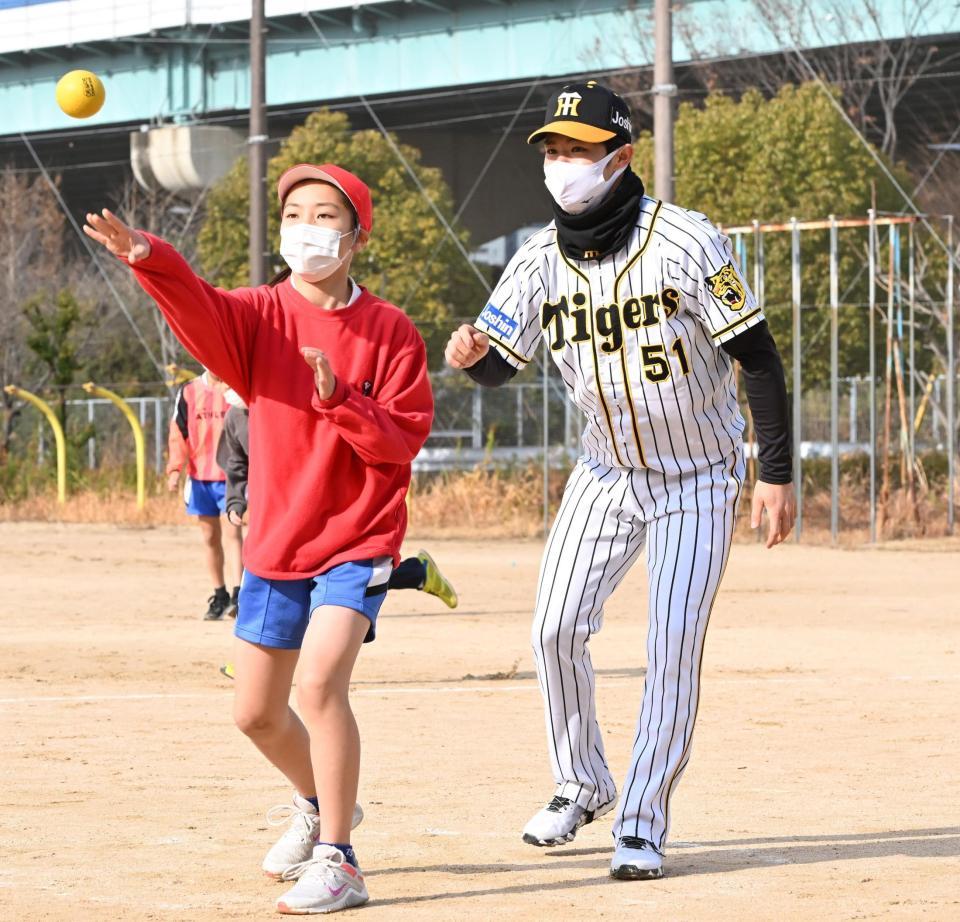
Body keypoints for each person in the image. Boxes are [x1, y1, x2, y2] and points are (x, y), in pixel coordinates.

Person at [445, 81, 796, 881]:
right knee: (553, 629)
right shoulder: (537, 258)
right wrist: (473, 360)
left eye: (578, 149)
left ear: (622, 157)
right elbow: (501, 364)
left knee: (669, 647)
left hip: (699, 476)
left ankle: (641, 820)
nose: (561, 164)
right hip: (606, 473)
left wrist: (773, 471)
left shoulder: (687, 241)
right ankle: (583, 781)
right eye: (553, 150)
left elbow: (758, 357)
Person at [85, 162, 434, 914]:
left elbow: (400, 445)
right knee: (255, 714)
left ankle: (341, 860)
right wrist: (146, 255)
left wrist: (340, 398)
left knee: (319, 685)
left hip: (358, 538)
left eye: (325, 217)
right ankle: (318, 807)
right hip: (277, 541)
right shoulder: (257, 316)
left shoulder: (392, 331)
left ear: (356, 236)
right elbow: (196, 305)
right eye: (296, 214)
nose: (307, 229)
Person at [215, 387, 457, 609]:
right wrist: (235, 499)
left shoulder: (286, 406)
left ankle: (417, 573)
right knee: (294, 570)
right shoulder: (235, 418)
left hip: (316, 501)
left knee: (336, 568)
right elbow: (235, 462)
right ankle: (417, 573)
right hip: (276, 508)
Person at [166, 369, 243, 620]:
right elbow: (178, 433)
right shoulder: (189, 391)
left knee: (233, 533)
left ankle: (238, 594)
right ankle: (219, 595)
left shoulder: (234, 389)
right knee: (210, 537)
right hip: (200, 477)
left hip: (231, 476)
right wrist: (175, 469)